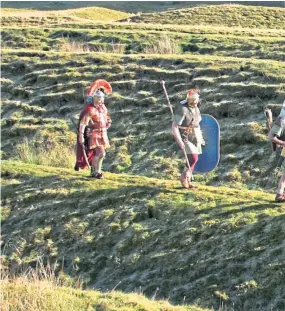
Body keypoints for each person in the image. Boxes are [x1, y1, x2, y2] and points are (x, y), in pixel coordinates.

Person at [74, 89, 112, 179]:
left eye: (102, 98)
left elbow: (106, 117)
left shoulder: (103, 108)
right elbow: (83, 124)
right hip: (93, 134)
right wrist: (81, 136)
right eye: (99, 98)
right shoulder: (90, 110)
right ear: (94, 98)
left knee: (102, 154)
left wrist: (108, 121)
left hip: (102, 133)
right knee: (100, 152)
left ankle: (98, 171)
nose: (101, 100)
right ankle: (94, 172)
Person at [172, 89, 205, 189]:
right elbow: (174, 126)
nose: (195, 104)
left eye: (196, 102)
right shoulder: (182, 109)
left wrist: (201, 138)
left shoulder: (196, 109)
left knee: (194, 159)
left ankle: (188, 181)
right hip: (185, 136)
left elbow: (197, 123)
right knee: (193, 157)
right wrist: (179, 140)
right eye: (193, 103)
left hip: (196, 136)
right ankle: (184, 176)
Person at [268, 100, 285, 202]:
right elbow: (271, 136)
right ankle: (279, 194)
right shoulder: (281, 120)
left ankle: (280, 194)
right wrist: (283, 143)